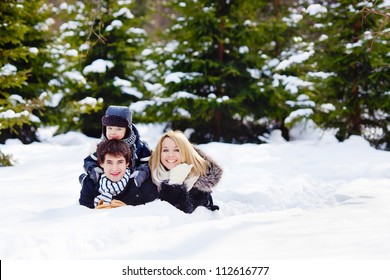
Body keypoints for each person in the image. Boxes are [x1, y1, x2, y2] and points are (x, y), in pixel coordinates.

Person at [149, 130, 223, 213]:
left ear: (185, 153)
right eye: (165, 150)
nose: (170, 155)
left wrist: (175, 182)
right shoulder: (149, 174)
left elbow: (179, 212)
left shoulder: (196, 182)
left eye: (177, 150)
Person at [82, 105, 151, 187]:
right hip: (107, 180)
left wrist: (141, 173)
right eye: (110, 128)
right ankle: (85, 182)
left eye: (119, 129)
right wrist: (93, 170)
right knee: (94, 184)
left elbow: (147, 164)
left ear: (127, 130)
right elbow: (89, 161)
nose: (113, 132)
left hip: (131, 181)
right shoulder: (102, 146)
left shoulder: (139, 146)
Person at [79, 139, 158, 208]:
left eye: (120, 162)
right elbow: (83, 214)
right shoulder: (90, 183)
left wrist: (128, 210)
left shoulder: (140, 184)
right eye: (109, 162)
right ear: (101, 163)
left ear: (127, 163)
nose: (115, 168)